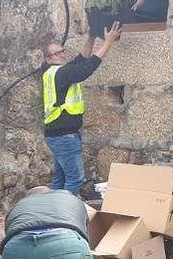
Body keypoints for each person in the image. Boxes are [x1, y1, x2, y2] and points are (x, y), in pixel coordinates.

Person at [43, 22, 122, 194]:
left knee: (60, 178)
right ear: (48, 59)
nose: (62, 55)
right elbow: (86, 68)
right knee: (75, 178)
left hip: (56, 134)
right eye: (56, 54)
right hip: (64, 136)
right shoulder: (61, 73)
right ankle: (65, 217)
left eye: (62, 51)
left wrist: (91, 37)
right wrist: (107, 43)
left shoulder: (54, 71)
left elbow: (80, 60)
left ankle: (50, 214)